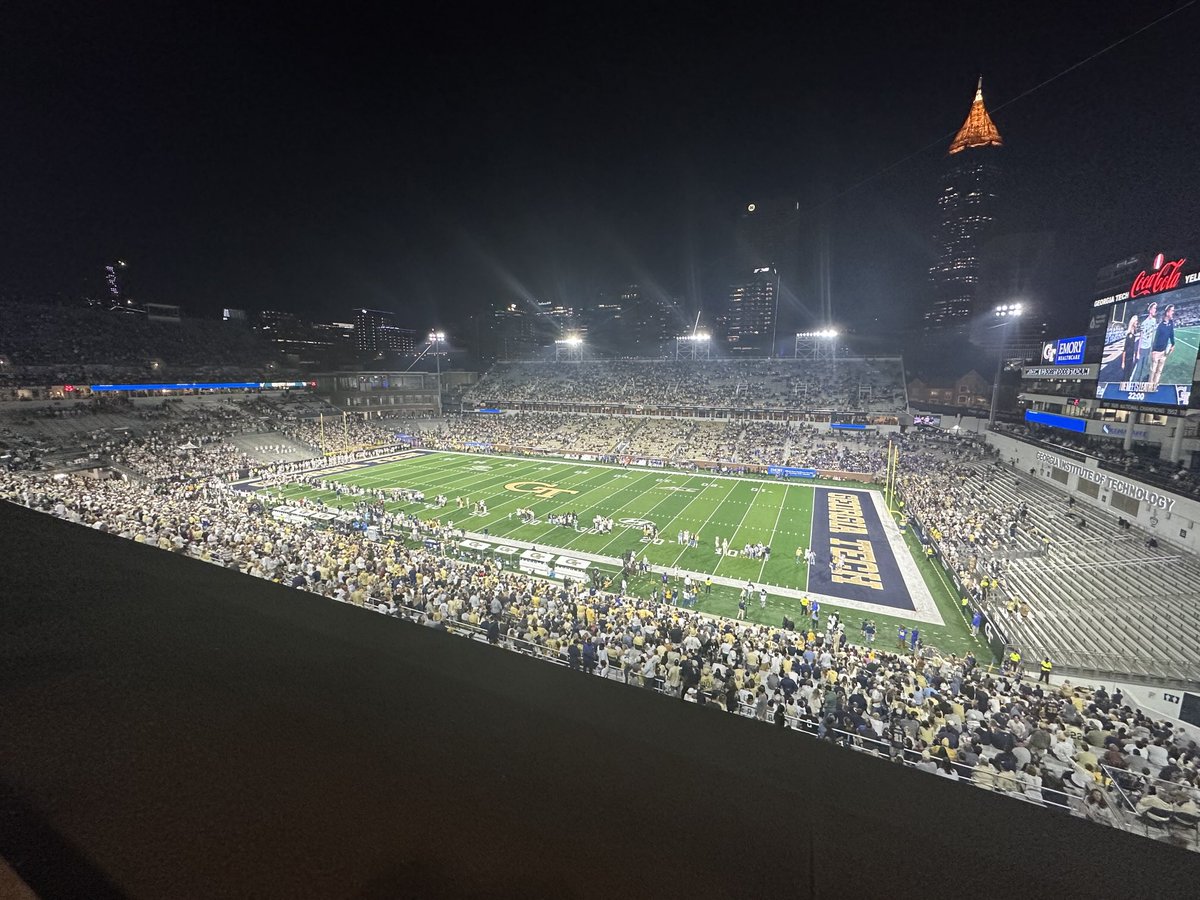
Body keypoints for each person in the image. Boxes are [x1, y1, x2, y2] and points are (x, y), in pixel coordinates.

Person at [1147, 303, 1176, 392]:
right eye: (1172, 311)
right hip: (1156, 352)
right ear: (1167, 312)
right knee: (1153, 371)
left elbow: (1171, 334)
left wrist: (1173, 344)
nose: (1173, 313)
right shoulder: (1161, 325)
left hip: (1164, 352)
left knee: (1159, 371)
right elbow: (1156, 339)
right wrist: (1153, 351)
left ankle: (1154, 386)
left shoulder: (1171, 323)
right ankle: (1149, 387)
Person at [1132, 300, 1158, 384]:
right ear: (1150, 310)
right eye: (1154, 308)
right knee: (1139, 367)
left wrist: (1153, 348)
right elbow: (1141, 337)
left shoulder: (1154, 321)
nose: (1155, 310)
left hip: (1149, 347)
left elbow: (1153, 334)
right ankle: (1135, 382)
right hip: (1142, 347)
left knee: (1145, 367)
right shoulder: (1144, 322)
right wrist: (1138, 352)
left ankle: (1142, 383)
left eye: (1155, 308)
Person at [1120, 314, 1140, 383]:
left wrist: (1134, 355)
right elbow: (1125, 349)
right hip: (1127, 357)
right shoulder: (1129, 335)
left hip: (1131, 356)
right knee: (1126, 376)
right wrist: (1123, 362)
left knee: (1128, 375)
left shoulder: (1133, 334)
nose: (1137, 322)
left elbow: (1132, 346)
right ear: (1133, 322)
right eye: (1136, 321)